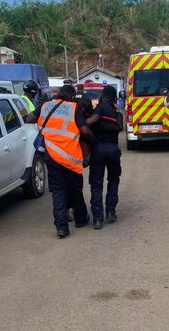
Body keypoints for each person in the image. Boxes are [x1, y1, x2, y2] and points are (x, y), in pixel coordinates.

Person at [25, 85, 96, 238]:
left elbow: (29, 118)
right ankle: (80, 219)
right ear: (71, 96)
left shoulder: (45, 105)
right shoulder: (73, 108)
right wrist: (94, 141)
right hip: (70, 158)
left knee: (58, 192)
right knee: (75, 189)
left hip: (51, 156)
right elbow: (84, 130)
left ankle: (61, 227)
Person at [86, 86, 124, 229]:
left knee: (96, 184)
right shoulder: (116, 112)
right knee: (113, 180)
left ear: (103, 95)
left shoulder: (99, 108)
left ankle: (97, 219)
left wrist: (80, 124)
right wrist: (117, 114)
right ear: (114, 97)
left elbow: (92, 121)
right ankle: (110, 212)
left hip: (99, 149)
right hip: (113, 149)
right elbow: (119, 127)